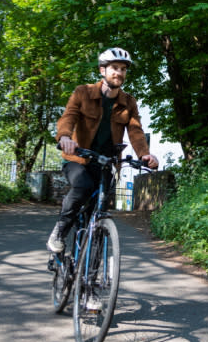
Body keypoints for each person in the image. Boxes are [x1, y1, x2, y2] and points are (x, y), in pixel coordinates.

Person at [46, 47, 159, 253]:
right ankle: (60, 232)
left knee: (99, 211)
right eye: (114, 68)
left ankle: (91, 269)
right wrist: (64, 137)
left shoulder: (128, 102)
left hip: (106, 163)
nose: (119, 72)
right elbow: (68, 117)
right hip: (78, 158)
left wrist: (144, 154)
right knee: (82, 186)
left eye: (123, 69)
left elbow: (135, 130)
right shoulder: (83, 92)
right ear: (102, 71)